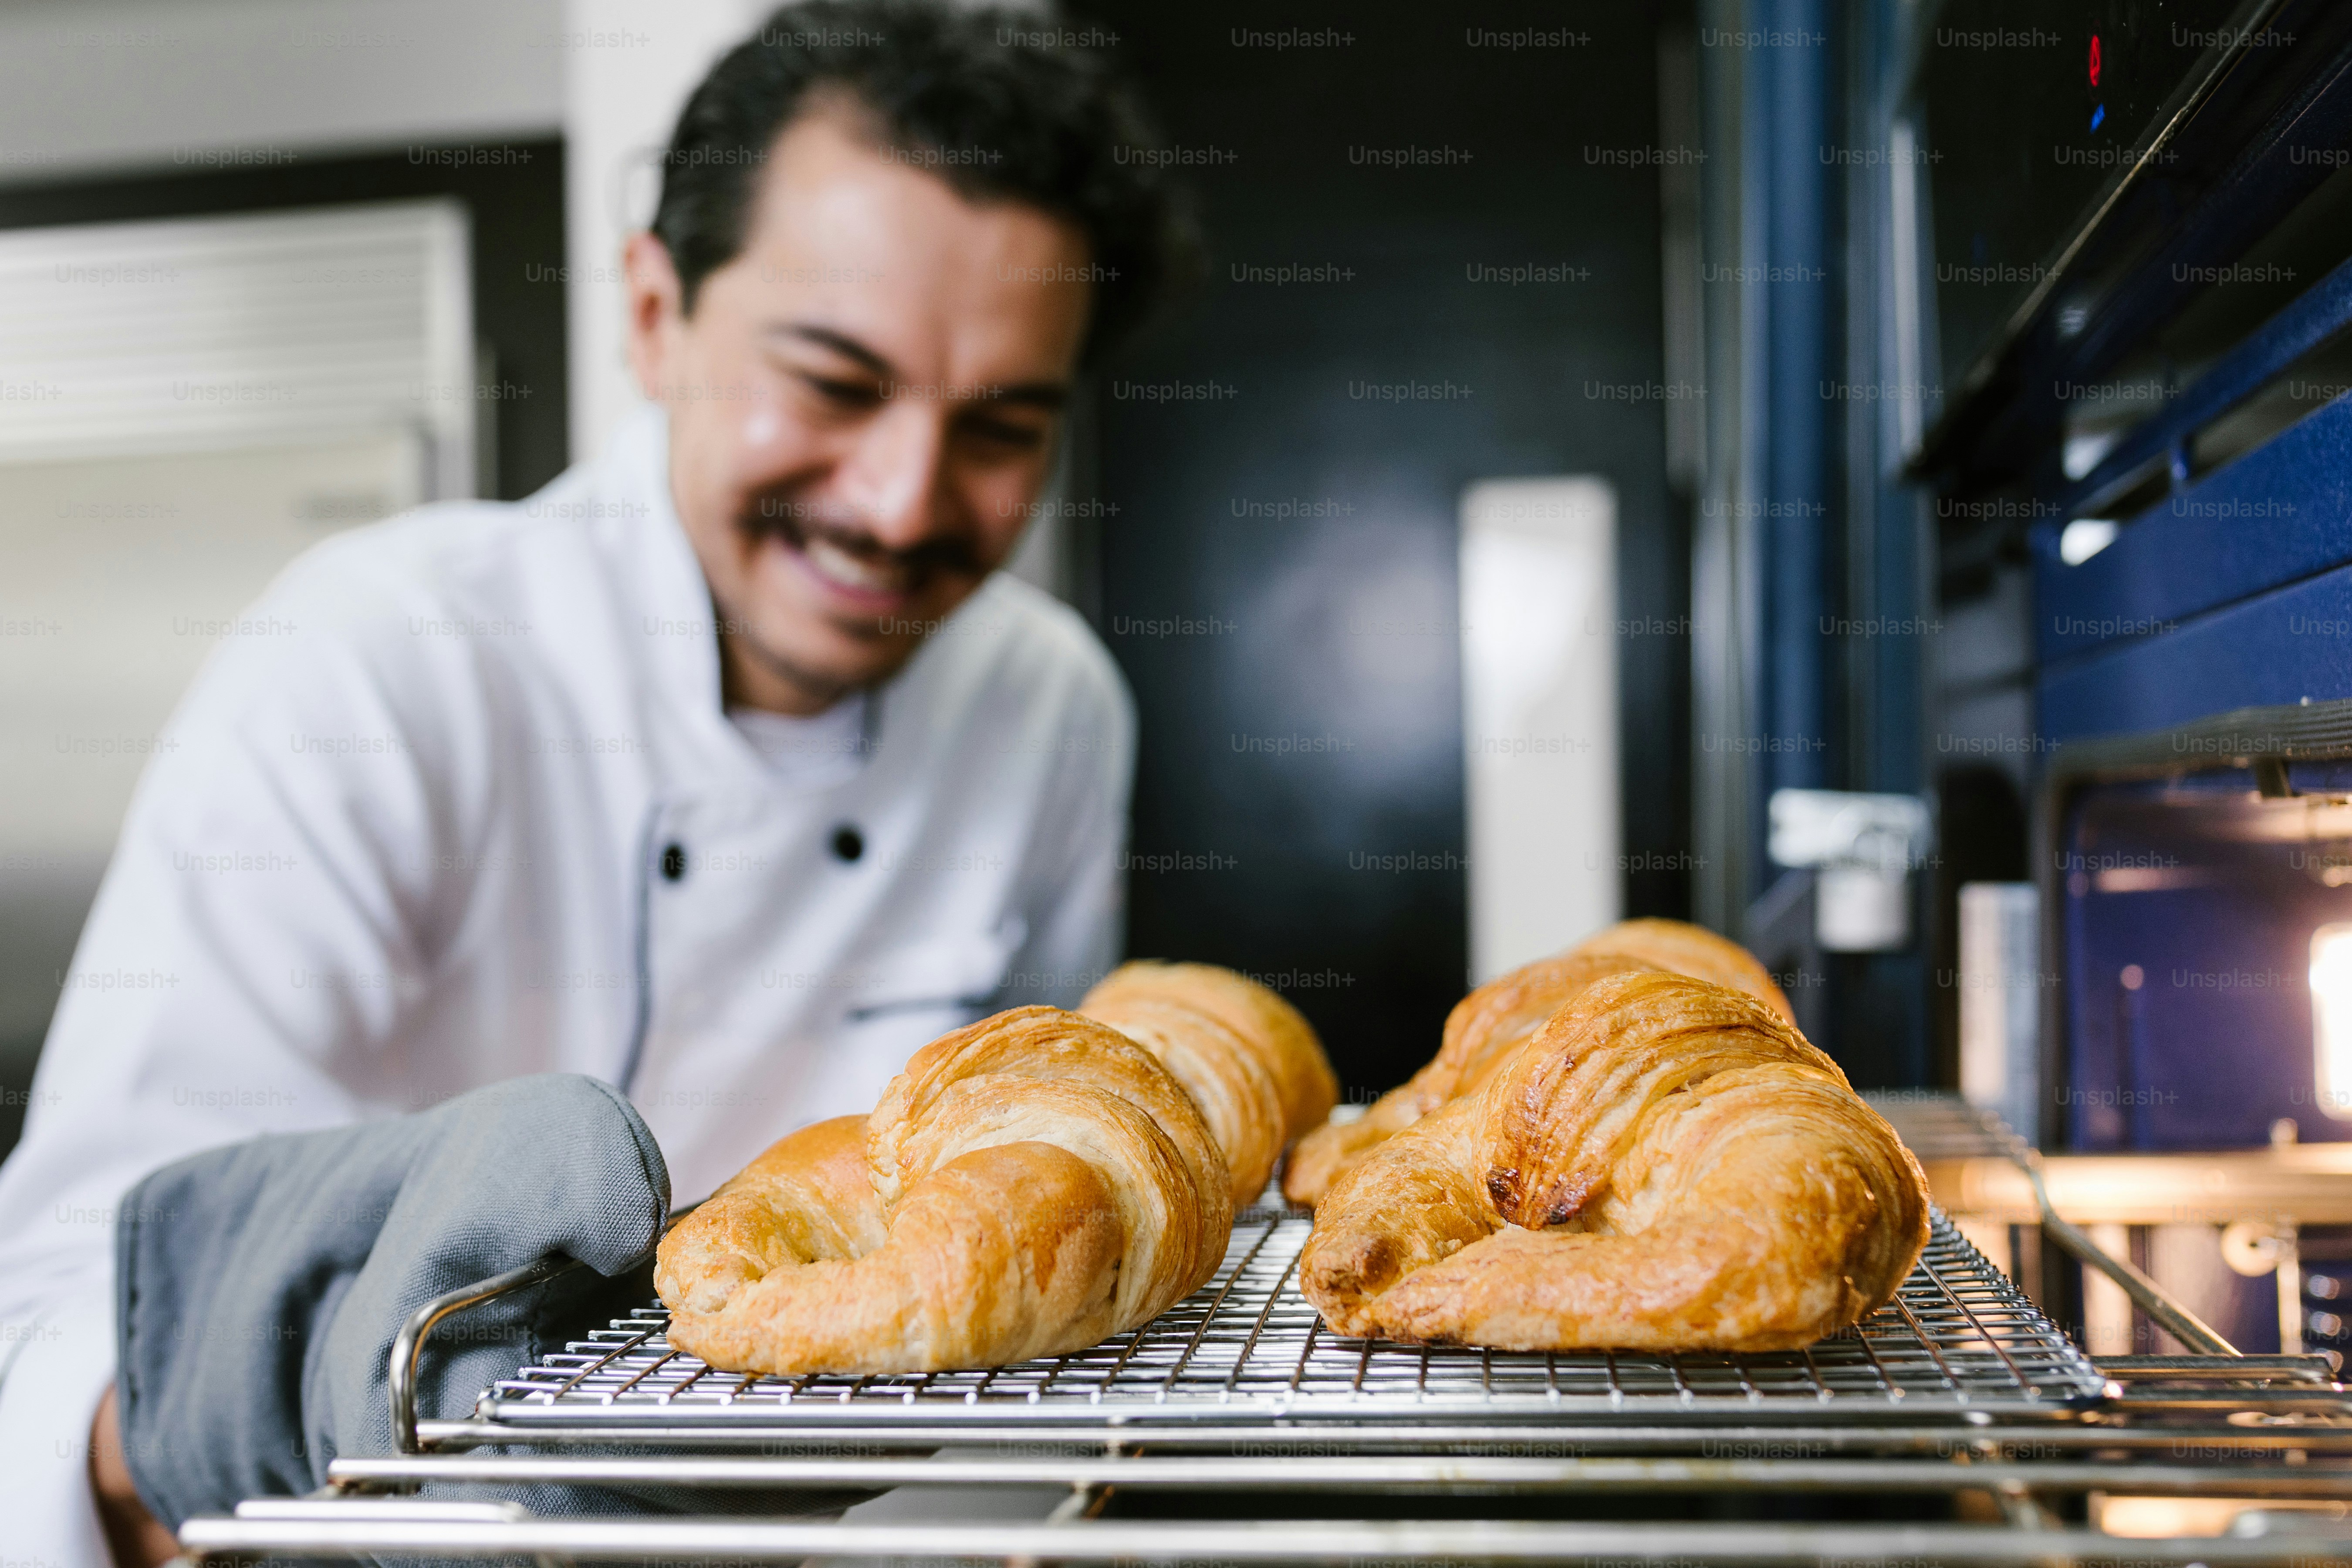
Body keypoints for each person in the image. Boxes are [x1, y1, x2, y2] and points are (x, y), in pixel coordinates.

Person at [0, 5, 1193, 1561]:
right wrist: (277, 1391)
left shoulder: (1050, 708)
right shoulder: (381, 659)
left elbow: (1027, 1168)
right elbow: (81, 1295)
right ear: (653, 313)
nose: (902, 501)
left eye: (1000, 427)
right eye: (834, 381)